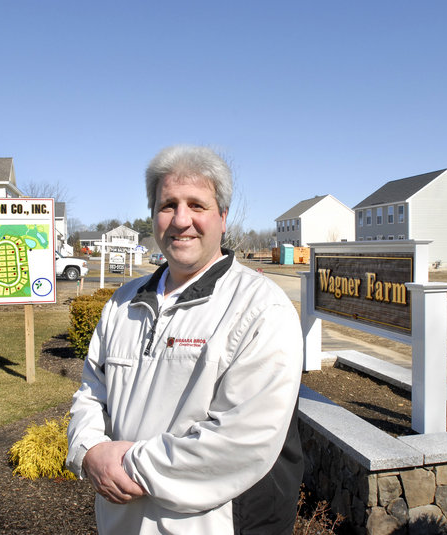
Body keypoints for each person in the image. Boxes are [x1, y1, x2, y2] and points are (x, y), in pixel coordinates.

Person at [66, 145, 304, 534]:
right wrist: (88, 451)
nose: (181, 220)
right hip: (120, 522)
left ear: (223, 217)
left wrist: (123, 466)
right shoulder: (123, 303)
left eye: (197, 205)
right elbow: (92, 393)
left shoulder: (260, 309)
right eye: (168, 204)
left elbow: (241, 440)